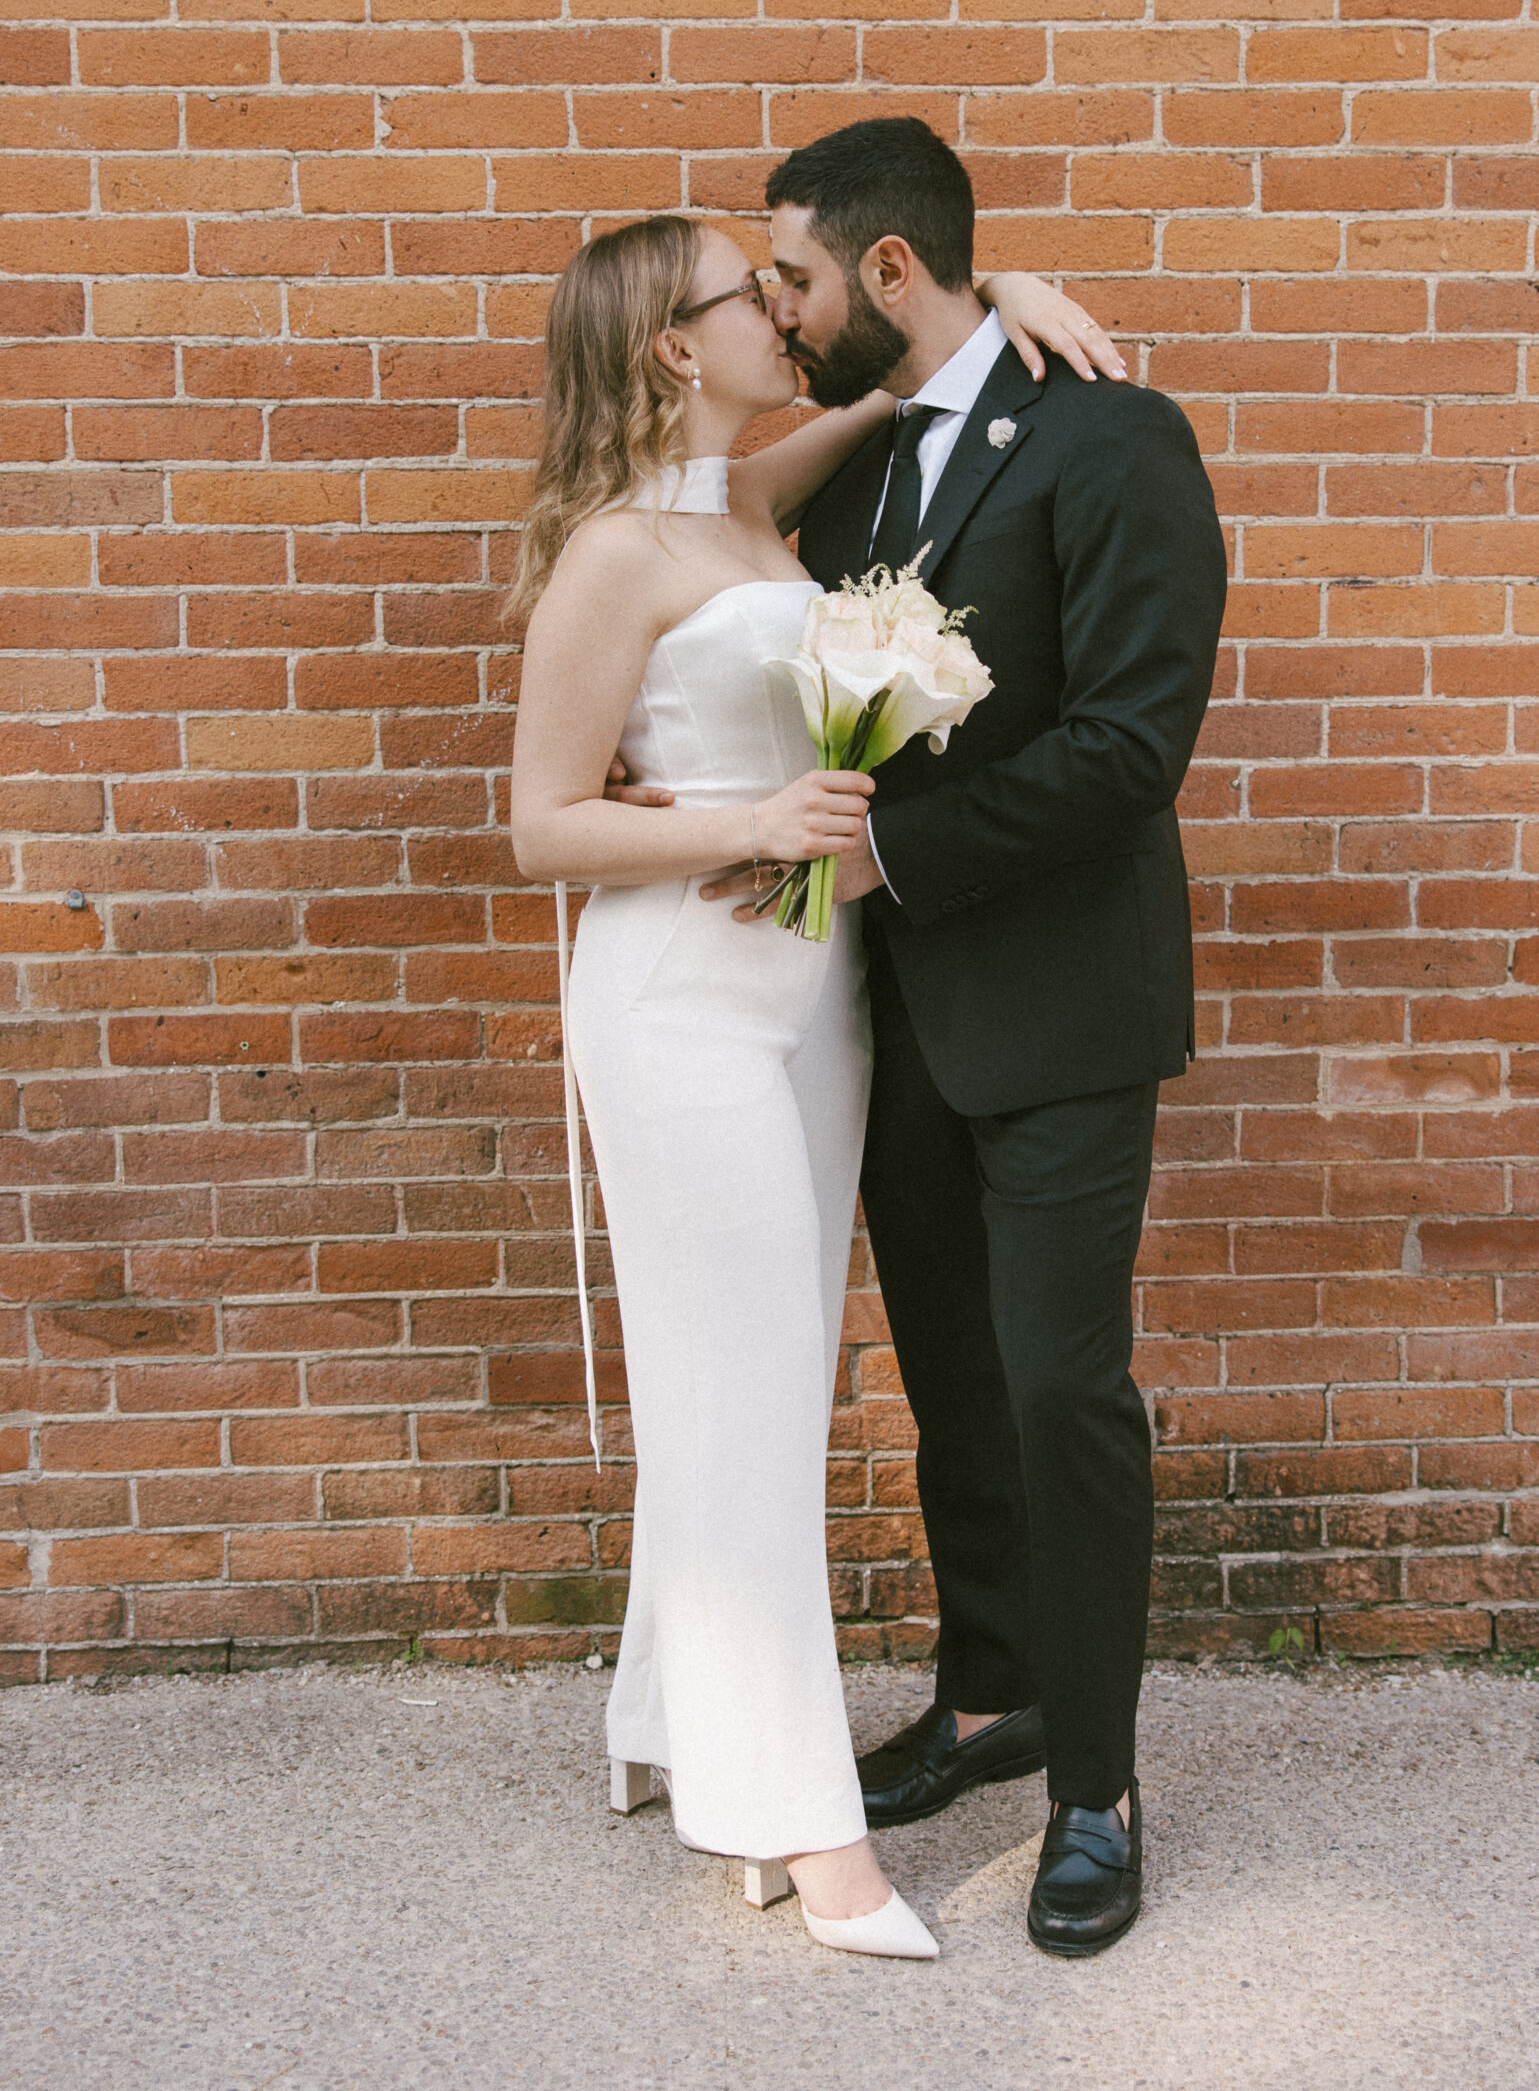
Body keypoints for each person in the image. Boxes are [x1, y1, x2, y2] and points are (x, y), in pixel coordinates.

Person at [507, 209, 1117, 1962]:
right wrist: (755, 824)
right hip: (686, 1005)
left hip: (814, 1006)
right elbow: (541, 820)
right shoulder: (620, 553)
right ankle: (799, 1826)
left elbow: (912, 401)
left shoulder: (752, 506)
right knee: (751, 1407)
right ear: (671, 347)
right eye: (751, 293)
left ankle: (667, 1723)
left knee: (761, 1384)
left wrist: (1003, 298)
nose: (789, 311)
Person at [701, 116, 1226, 1956]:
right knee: (953, 1385)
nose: (784, 303)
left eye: (799, 276)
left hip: (1065, 1009)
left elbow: (1133, 744)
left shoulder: (1116, 438)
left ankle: (1098, 1783)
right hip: (899, 1022)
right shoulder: (853, 479)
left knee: (1065, 1390)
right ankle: (994, 1692)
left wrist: (887, 861)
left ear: (890, 274)